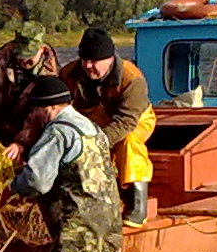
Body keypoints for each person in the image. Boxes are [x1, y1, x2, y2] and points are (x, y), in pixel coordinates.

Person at [8, 72, 123, 252]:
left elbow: (36, 182)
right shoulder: (94, 129)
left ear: (49, 108)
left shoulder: (57, 133)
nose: (33, 115)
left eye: (36, 109)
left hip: (77, 233)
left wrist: (13, 186)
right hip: (110, 233)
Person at [62, 26, 158, 225]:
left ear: (109, 59)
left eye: (94, 61)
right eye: (85, 60)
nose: (88, 65)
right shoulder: (69, 74)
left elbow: (126, 121)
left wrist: (98, 143)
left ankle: (137, 204)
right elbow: (60, 111)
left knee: (130, 142)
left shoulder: (132, 79)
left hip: (135, 120)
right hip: (92, 121)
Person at [0, 20, 59, 149]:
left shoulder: (53, 76)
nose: (24, 60)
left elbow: (41, 115)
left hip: (35, 138)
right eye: (20, 55)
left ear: (42, 49)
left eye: (29, 56)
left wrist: (21, 144)